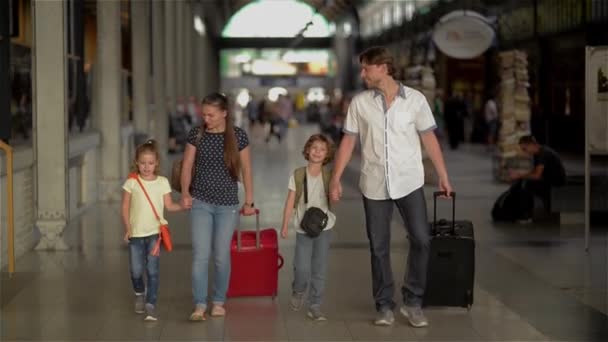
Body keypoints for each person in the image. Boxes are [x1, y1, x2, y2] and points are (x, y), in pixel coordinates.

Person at [329, 46, 453, 328]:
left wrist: (443, 175)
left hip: (409, 180)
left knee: (422, 238)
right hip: (374, 182)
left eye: (366, 68)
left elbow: (430, 140)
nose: (362, 73)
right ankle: (384, 305)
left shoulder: (416, 101)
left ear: (383, 67)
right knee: (379, 247)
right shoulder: (360, 103)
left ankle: (413, 301)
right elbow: (348, 142)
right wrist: (335, 178)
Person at [180, 93, 256, 321]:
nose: (206, 119)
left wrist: (249, 201)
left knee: (222, 256)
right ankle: (200, 304)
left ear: (224, 113)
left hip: (227, 206)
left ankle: (219, 301)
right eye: (204, 114)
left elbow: (246, 169)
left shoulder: (238, 136)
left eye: (211, 115)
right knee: (201, 255)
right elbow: (187, 166)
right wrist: (185, 193)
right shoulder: (197, 134)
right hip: (200, 202)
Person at [121, 139, 184, 321]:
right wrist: (128, 228)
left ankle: (150, 304)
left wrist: (183, 205)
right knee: (136, 271)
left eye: (150, 163)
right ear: (137, 163)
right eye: (142, 163)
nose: (146, 167)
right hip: (135, 235)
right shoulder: (132, 182)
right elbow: (125, 207)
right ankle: (139, 292)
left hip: (155, 234)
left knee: (153, 271)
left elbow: (169, 206)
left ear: (156, 162)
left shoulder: (162, 182)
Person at [280, 134, 336, 321]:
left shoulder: (329, 175)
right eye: (314, 148)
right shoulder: (298, 175)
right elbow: (290, 202)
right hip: (303, 228)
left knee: (319, 268)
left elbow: (336, 195)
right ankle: (298, 289)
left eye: (322, 149)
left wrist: (336, 191)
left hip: (324, 226)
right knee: (302, 267)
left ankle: (315, 305)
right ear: (307, 150)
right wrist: (285, 225)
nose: (317, 152)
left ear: (327, 154)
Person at [509, 135, 566, 221]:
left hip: (556, 182)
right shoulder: (538, 153)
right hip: (549, 180)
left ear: (531, 145)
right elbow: (534, 171)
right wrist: (520, 174)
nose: (525, 152)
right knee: (523, 182)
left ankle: (527, 214)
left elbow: (537, 176)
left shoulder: (543, 154)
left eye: (525, 149)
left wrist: (520, 175)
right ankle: (522, 211)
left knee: (527, 185)